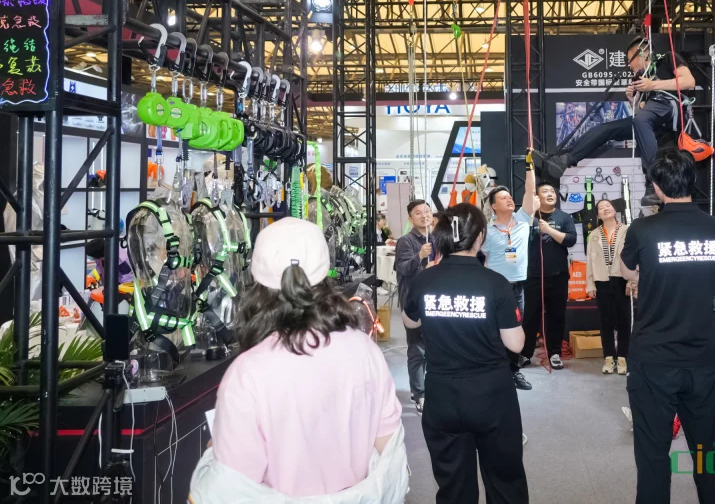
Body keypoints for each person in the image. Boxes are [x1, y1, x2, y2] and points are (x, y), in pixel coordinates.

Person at [206, 218, 406, 500]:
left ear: (256, 281)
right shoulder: (365, 350)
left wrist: (216, 449)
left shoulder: (248, 372)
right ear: (325, 274)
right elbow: (391, 452)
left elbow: (233, 489)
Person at [620, 148, 715, 504]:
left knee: (653, 454)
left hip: (653, 358)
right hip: (701, 357)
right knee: (710, 452)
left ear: (656, 186)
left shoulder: (642, 229)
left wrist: (646, 276)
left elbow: (627, 270)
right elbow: (713, 272)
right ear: (691, 180)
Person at [403, 204, 530, 504]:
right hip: (491, 396)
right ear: (480, 236)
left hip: (443, 394)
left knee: (453, 487)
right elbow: (516, 344)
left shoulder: (425, 280)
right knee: (505, 482)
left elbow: (410, 321)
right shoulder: (495, 283)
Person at [531, 37, 700, 205]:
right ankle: (563, 161)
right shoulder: (642, 78)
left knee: (641, 121)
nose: (629, 66)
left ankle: (653, 180)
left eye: (629, 61)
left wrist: (652, 85)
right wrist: (633, 100)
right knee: (606, 129)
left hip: (670, 107)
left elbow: (689, 82)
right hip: (652, 122)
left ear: (640, 54)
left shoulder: (668, 58)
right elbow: (641, 114)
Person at [480, 165, 536, 390]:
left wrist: (529, 165)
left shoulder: (523, 220)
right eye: (503, 198)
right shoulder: (487, 230)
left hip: (518, 287)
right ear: (494, 206)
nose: (510, 200)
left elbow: (530, 192)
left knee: (515, 329)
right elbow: (482, 257)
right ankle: (494, 371)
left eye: (510, 197)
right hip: (495, 287)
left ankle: (513, 371)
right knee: (493, 330)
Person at [521, 180, 577, 369]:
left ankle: (554, 353)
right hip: (533, 276)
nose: (551, 194)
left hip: (558, 275)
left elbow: (571, 240)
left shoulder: (564, 217)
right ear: (537, 197)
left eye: (552, 191)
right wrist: (531, 217)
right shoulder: (528, 217)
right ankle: (525, 354)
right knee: (531, 317)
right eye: (545, 191)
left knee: (556, 316)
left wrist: (549, 230)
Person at [394, 199, 435, 412]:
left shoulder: (437, 239)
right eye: (418, 212)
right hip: (414, 302)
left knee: (435, 347)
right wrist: (420, 256)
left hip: (435, 300)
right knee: (417, 349)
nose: (424, 215)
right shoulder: (406, 241)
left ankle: (432, 389)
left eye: (427, 211)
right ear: (410, 218)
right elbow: (403, 268)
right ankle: (419, 393)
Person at [585, 198, 630, 375]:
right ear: (598, 215)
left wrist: (632, 281)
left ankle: (623, 357)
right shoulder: (594, 234)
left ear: (614, 209)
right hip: (601, 280)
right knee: (606, 321)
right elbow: (590, 260)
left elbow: (633, 258)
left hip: (622, 279)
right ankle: (609, 357)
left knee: (624, 320)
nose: (605, 209)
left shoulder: (627, 230)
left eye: (608, 206)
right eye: (601, 208)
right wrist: (590, 283)